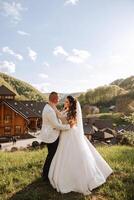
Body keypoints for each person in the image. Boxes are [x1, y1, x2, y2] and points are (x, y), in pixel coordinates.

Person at [48, 96, 113, 195]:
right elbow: (60, 116)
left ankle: (80, 178)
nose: (64, 103)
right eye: (65, 101)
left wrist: (54, 108)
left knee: (73, 154)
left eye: (66, 102)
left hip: (70, 134)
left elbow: (68, 123)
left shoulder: (72, 113)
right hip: (65, 135)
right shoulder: (66, 110)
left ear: (70, 103)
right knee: (64, 154)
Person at [38, 92, 70, 181]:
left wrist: (65, 112)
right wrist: (68, 127)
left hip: (52, 134)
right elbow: (56, 125)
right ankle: (45, 175)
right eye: (58, 98)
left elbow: (59, 115)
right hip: (51, 136)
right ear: (55, 99)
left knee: (52, 155)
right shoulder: (48, 110)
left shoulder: (51, 106)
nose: (59, 99)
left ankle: (49, 173)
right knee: (51, 156)